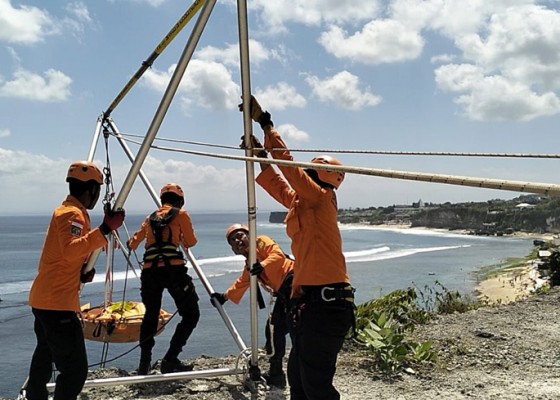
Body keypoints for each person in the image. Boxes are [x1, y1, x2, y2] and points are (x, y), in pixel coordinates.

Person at [242, 96, 355, 399]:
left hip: (327, 306)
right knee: (299, 381)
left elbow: (290, 169)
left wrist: (266, 123)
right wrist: (259, 156)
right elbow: (280, 184)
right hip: (311, 306)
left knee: (316, 386)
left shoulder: (320, 198)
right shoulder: (303, 203)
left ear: (318, 174)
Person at [26, 161, 125, 400]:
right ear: (91, 189)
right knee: (74, 371)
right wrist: (104, 229)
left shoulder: (69, 212)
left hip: (44, 300)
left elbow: (63, 256)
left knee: (44, 356)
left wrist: (80, 270)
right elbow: (71, 250)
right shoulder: (72, 214)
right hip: (57, 304)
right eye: (97, 190)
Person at [127, 182, 199, 375]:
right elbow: (191, 242)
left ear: (162, 200)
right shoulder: (181, 214)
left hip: (150, 272)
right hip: (173, 271)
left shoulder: (149, 218)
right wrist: (180, 237)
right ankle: (170, 358)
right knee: (191, 314)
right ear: (180, 201)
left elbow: (133, 244)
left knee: (150, 315)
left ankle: (144, 364)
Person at [211, 224, 294, 387]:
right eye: (233, 241)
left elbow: (277, 255)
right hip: (285, 292)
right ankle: (277, 374)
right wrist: (224, 297)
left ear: (250, 234)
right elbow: (243, 282)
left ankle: (283, 374)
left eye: (240, 235)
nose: (237, 240)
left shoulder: (261, 241)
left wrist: (262, 265)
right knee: (273, 331)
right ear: (233, 250)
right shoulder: (249, 264)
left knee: (281, 329)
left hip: (295, 282)